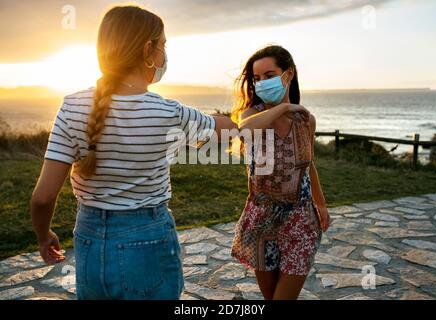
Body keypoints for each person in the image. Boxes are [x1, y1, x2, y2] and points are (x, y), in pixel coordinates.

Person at [30, 5, 236, 300]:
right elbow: (226, 131)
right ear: (147, 50)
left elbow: (42, 197)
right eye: (163, 45)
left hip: (88, 239)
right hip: (148, 237)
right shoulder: (168, 112)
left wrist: (43, 236)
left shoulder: (71, 106)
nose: (165, 54)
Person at [231, 45, 330, 300]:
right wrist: (283, 108)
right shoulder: (252, 115)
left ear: (288, 75)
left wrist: (321, 204)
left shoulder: (307, 119)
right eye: (257, 78)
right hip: (261, 221)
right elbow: (243, 129)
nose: (262, 83)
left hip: (301, 219)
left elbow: (309, 165)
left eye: (269, 75)